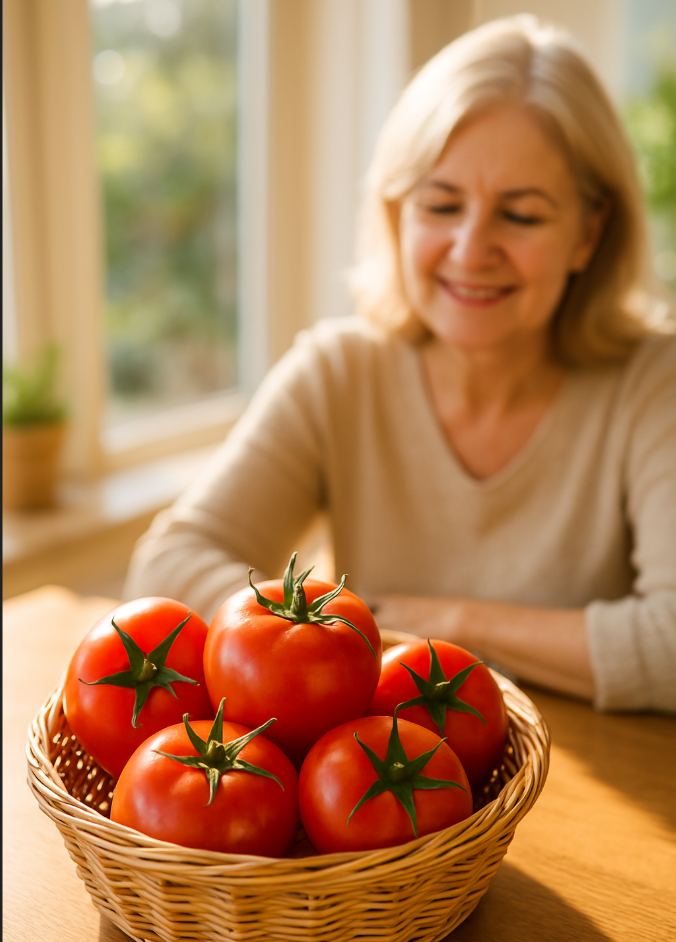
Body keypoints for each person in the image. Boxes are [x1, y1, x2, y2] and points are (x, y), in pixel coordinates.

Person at [124, 15, 676, 712]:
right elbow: (168, 565)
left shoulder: (655, 382)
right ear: (396, 215)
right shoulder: (337, 371)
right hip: (384, 801)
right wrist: (310, 639)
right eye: (440, 204)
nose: (471, 249)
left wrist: (442, 623)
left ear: (588, 234)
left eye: (523, 216)